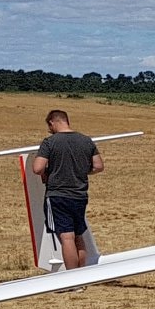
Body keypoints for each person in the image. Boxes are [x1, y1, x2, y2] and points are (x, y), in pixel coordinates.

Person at [31, 109, 102, 271]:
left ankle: (71, 280)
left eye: (49, 127)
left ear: (52, 123)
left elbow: (37, 168)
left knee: (66, 237)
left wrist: (50, 170)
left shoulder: (49, 142)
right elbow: (98, 166)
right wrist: (81, 171)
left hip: (58, 195)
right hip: (80, 195)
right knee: (78, 236)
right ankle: (81, 276)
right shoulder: (86, 140)